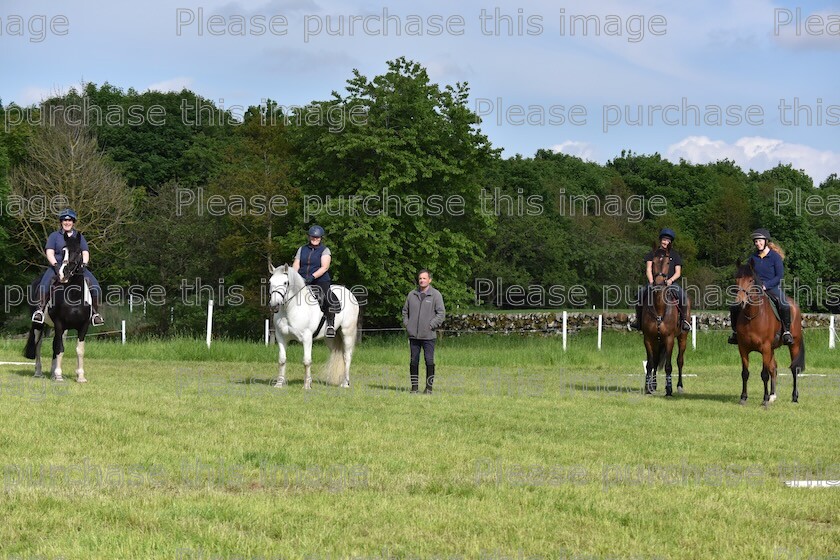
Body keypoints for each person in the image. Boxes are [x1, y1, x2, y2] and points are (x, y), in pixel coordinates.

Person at [32, 209, 105, 326]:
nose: (67, 222)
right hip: (58, 266)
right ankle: (40, 311)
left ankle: (95, 314)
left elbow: (85, 252)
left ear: (73, 222)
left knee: (95, 287)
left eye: (69, 220)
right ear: (61, 222)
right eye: (65, 220)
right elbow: (49, 252)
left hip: (76, 268)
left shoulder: (79, 237)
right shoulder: (54, 236)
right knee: (44, 284)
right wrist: (55, 266)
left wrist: (83, 265)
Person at [728, 229, 793, 346]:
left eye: (759, 241)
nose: (757, 243)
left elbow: (779, 276)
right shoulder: (752, 258)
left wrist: (766, 285)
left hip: (772, 287)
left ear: (766, 241)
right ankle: (735, 333)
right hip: (754, 289)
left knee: (784, 304)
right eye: (756, 242)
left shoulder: (775, 257)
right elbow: (747, 275)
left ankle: (786, 332)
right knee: (734, 305)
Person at [629, 228, 691, 332]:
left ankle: (684, 321)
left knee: (683, 296)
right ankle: (638, 320)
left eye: (668, 240)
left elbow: (678, 272)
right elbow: (648, 269)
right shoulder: (652, 254)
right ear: (660, 240)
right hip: (655, 283)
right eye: (664, 239)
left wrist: (670, 280)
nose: (665, 242)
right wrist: (651, 281)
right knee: (639, 294)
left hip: (670, 283)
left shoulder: (675, 255)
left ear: (670, 242)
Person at [402, 269, 446, 394]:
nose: (422, 280)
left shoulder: (436, 295)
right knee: (413, 361)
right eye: (420, 278)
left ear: (429, 280)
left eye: (424, 278)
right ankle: (414, 388)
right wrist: (408, 324)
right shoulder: (412, 294)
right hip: (413, 336)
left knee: (429, 361)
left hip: (428, 336)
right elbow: (405, 311)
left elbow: (441, 314)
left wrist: (431, 325)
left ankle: (429, 388)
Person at [293, 224, 338, 337]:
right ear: (309, 237)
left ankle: (330, 325)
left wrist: (312, 277)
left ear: (321, 238)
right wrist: (294, 276)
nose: (315, 239)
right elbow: (296, 264)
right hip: (301, 279)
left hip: (320, 280)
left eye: (317, 237)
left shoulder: (325, 250)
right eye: (313, 237)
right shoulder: (302, 249)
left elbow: (324, 267)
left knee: (328, 297)